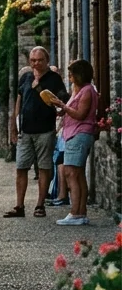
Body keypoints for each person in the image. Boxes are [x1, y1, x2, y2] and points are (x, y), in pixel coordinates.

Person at [4, 47, 68, 218]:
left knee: (44, 167)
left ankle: (40, 205)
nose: (36, 64)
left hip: (45, 130)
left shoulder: (54, 79)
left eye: (39, 60)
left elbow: (60, 101)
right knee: (21, 167)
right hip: (26, 130)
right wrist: (14, 125)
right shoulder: (26, 77)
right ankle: (19, 206)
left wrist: (39, 88)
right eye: (33, 60)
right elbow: (19, 101)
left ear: (46, 61)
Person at [48, 59, 98, 226]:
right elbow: (71, 111)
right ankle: (80, 212)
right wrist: (61, 109)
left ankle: (75, 212)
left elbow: (80, 114)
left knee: (71, 173)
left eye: (71, 74)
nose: (69, 77)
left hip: (79, 134)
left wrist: (63, 105)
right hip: (74, 134)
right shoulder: (79, 90)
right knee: (78, 174)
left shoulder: (87, 91)